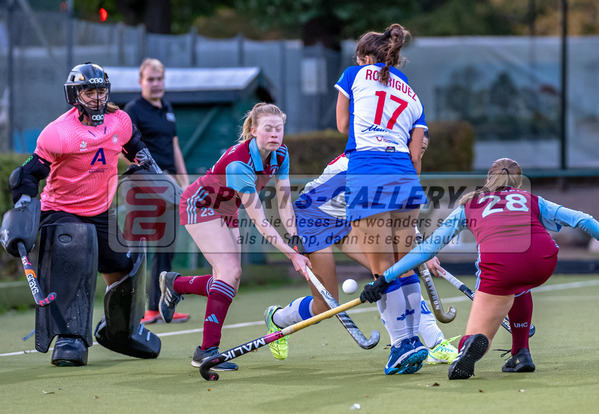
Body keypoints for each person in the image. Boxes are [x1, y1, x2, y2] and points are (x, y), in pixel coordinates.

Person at [361, 157, 599, 380]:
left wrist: (385, 278)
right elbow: (583, 219)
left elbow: (427, 249)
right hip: (542, 261)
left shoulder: (468, 206)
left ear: (488, 179)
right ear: (518, 182)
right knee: (520, 284)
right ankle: (521, 353)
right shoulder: (531, 199)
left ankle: (469, 346)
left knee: (478, 332)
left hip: (501, 269)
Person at [0, 62, 165, 366]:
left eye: (101, 91)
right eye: (89, 92)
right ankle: (70, 338)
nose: (97, 97)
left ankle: (119, 330)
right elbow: (26, 175)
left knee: (125, 268)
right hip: (61, 211)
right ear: (75, 95)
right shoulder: (59, 132)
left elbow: (137, 149)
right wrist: (23, 207)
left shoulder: (120, 122)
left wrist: (151, 172)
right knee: (75, 252)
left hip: (99, 211)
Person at [265, 136, 459, 364]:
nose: (418, 154)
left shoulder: (399, 164)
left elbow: (402, 214)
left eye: (423, 149)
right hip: (315, 217)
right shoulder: (374, 162)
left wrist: (422, 251)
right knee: (325, 304)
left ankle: (434, 343)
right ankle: (277, 319)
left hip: (351, 216)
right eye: (415, 147)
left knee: (395, 271)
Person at [158, 103, 311, 372]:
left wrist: (294, 237)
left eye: (279, 129)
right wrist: (291, 255)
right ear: (254, 130)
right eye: (268, 128)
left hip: (227, 209)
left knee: (231, 280)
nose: (275, 134)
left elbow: (284, 200)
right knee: (229, 272)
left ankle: (176, 284)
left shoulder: (280, 154)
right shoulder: (241, 164)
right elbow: (261, 222)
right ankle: (206, 352)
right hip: (200, 205)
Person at [333, 23, 430, 375]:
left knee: (382, 269)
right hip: (405, 176)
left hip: (369, 172)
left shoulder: (353, 75)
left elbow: (343, 126)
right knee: (405, 266)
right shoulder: (413, 94)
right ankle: (413, 340)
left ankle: (402, 344)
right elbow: (416, 155)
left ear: (363, 57)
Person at [124, 58, 190, 325]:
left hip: (170, 188)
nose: (156, 84)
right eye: (150, 79)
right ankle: (131, 311)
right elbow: (123, 150)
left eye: (159, 79)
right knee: (137, 251)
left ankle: (158, 308)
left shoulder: (168, 108)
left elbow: (174, 146)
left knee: (166, 249)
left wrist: (184, 182)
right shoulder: (132, 110)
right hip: (144, 187)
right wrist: (152, 176)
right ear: (141, 82)